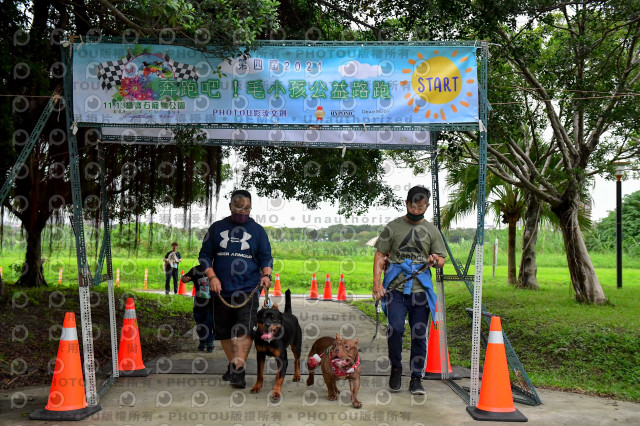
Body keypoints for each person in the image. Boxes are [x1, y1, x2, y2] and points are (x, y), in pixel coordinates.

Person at [372, 185, 446, 395]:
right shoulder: (392, 227)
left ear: (427, 206)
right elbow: (379, 255)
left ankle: (416, 378)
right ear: (406, 203)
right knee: (395, 328)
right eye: (413, 205)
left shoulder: (432, 230)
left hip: (420, 290)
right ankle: (396, 369)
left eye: (420, 206)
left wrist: (434, 260)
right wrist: (377, 284)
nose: (416, 209)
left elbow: (441, 260)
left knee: (419, 334)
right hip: (395, 289)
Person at [198, 189, 273, 388]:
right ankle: (234, 364)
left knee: (245, 329)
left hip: (248, 289)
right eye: (239, 207)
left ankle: (238, 371)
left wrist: (266, 275)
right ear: (230, 206)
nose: (243, 211)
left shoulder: (258, 231)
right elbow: (204, 256)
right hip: (220, 289)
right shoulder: (217, 228)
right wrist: (212, 276)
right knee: (223, 332)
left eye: (247, 208)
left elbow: (266, 257)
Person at [181, 265, 215, 352]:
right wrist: (185, 279)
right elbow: (184, 278)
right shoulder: (196, 269)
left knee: (209, 322)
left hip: (212, 303)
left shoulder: (216, 269)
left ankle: (210, 342)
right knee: (199, 323)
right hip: (198, 303)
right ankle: (202, 341)